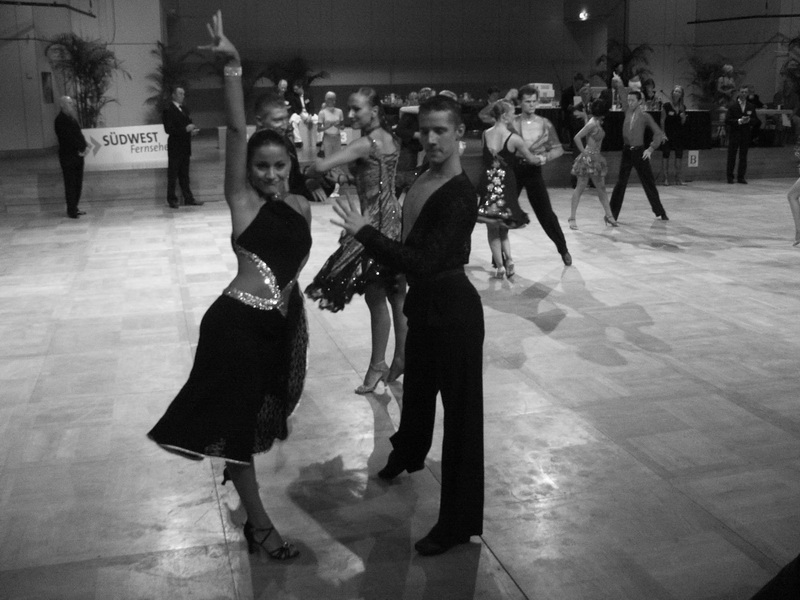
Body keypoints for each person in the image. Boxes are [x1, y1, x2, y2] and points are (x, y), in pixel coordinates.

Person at [148, 10, 312, 561]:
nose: (269, 174)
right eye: (260, 167)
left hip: (273, 329)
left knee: (256, 413)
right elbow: (239, 131)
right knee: (238, 429)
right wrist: (234, 66)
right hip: (235, 326)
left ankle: (239, 483)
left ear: (290, 163)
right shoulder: (242, 202)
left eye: (278, 165)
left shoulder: (301, 206)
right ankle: (260, 527)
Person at [331, 94, 484, 557]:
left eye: (441, 130)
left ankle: (457, 523)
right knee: (416, 394)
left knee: (461, 422)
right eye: (425, 130)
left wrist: (365, 233)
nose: (431, 139)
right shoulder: (422, 178)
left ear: (460, 133)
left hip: (454, 313)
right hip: (426, 305)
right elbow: (412, 244)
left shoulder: (460, 194)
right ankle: (407, 453)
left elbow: (426, 259)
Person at [304, 87, 408, 394]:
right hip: (394, 218)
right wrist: (347, 176)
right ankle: (402, 358)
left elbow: (319, 166)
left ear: (374, 111)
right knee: (397, 295)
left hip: (373, 223)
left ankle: (378, 364)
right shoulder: (391, 140)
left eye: (356, 109)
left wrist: (311, 165)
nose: (350, 114)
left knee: (376, 296)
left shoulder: (365, 143)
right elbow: (377, 178)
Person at [511, 84, 572, 266]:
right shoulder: (511, 122)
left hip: (533, 171)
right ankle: (499, 258)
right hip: (515, 169)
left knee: (546, 213)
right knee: (504, 210)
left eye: (533, 101)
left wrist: (543, 158)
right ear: (520, 103)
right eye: (527, 101)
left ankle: (563, 249)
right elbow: (485, 115)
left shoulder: (544, 123)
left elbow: (558, 149)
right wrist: (506, 97)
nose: (531, 105)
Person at [476, 99, 535, 278]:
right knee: (504, 226)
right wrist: (543, 158)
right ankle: (509, 260)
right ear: (504, 116)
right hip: (506, 184)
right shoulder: (514, 138)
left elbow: (485, 159)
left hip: (489, 182)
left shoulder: (485, 134)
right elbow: (531, 159)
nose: (514, 116)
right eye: (512, 113)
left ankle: (500, 267)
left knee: (492, 227)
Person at [609, 90, 669, 221]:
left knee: (648, 182)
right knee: (620, 183)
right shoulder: (627, 111)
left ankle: (660, 211)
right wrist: (621, 83)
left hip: (639, 152)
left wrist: (650, 149)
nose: (630, 103)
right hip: (627, 151)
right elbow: (621, 90)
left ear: (639, 101)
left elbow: (658, 133)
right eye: (628, 100)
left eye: (632, 100)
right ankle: (611, 215)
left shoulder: (644, 116)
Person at [253, 91, 319, 202]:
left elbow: (295, 178)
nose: (285, 125)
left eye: (286, 119)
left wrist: (308, 181)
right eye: (277, 120)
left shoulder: (286, 143)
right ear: (260, 121)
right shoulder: (251, 151)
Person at [568, 99, 618, 229]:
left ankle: (609, 215)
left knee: (601, 188)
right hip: (588, 159)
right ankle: (572, 218)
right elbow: (577, 137)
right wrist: (584, 152)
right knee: (580, 187)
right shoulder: (592, 124)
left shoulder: (596, 121)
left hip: (596, 159)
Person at [163, 86, 202, 209]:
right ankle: (172, 199)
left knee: (185, 175)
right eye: (180, 93)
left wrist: (191, 131)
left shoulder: (184, 109)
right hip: (175, 146)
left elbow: (187, 124)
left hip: (185, 146)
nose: (182, 96)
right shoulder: (168, 110)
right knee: (173, 174)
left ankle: (188, 198)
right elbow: (168, 129)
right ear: (173, 95)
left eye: (183, 94)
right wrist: (185, 129)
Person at [54, 95, 89, 219]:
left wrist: (84, 146)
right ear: (62, 105)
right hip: (68, 157)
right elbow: (68, 138)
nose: (72, 105)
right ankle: (71, 210)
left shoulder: (72, 118)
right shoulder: (60, 120)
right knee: (70, 184)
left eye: (72, 103)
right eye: (69, 103)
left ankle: (75, 207)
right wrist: (80, 147)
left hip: (77, 156)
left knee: (78, 183)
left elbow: (78, 134)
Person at [725, 85, 761, 184]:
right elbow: (727, 120)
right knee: (732, 155)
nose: (743, 94)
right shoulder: (733, 106)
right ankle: (730, 177)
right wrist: (739, 121)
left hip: (745, 134)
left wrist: (749, 120)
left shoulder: (751, 106)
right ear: (739, 93)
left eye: (745, 92)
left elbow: (755, 120)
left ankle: (741, 177)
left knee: (743, 156)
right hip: (735, 133)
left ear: (747, 93)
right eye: (742, 92)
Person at [660, 85, 688, 186]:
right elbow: (662, 120)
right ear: (672, 93)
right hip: (668, 134)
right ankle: (665, 178)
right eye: (675, 91)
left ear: (681, 95)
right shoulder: (666, 106)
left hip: (679, 135)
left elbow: (683, 122)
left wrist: (683, 118)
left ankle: (678, 178)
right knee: (666, 155)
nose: (677, 93)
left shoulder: (683, 107)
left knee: (679, 156)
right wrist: (663, 133)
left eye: (679, 92)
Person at [560, 73, 586, 143]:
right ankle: (573, 142)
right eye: (578, 84)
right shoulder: (567, 92)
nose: (579, 86)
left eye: (580, 84)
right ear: (574, 82)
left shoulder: (584, 91)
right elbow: (563, 105)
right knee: (573, 121)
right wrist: (569, 107)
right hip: (570, 114)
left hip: (582, 112)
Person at [317, 91, 344, 158]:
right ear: (326, 100)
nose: (332, 101)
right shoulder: (322, 113)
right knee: (328, 157)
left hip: (337, 137)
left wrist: (337, 126)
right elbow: (319, 129)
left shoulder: (339, 111)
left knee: (337, 157)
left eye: (333, 99)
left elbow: (343, 127)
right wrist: (328, 126)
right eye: (330, 99)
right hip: (327, 137)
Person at [286, 80, 313, 147]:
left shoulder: (308, 95)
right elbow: (295, 108)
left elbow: (312, 107)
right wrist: (302, 116)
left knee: (318, 119)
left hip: (308, 113)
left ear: (301, 88)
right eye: (294, 89)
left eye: (296, 89)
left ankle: (319, 140)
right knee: (293, 121)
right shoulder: (294, 96)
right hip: (299, 113)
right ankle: (298, 141)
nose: (295, 91)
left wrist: (310, 116)